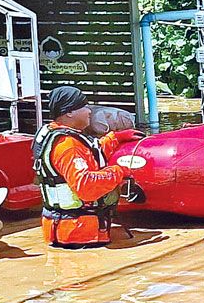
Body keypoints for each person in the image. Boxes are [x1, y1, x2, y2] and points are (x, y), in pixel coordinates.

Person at [32, 86, 143, 248]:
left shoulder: (53, 133)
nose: (89, 111)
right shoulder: (68, 145)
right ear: (69, 112)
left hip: (68, 231)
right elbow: (86, 186)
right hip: (79, 234)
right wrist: (119, 171)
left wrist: (115, 138)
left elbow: (90, 155)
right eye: (84, 107)